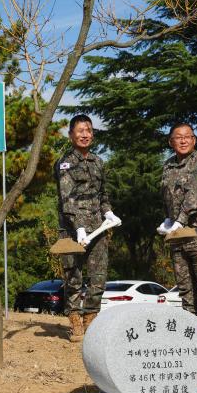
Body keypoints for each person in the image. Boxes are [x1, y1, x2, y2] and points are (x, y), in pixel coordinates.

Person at [54, 114, 121, 342]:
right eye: (80, 130)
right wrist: (79, 227)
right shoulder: (65, 163)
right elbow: (67, 199)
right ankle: (75, 321)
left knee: (98, 276)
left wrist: (109, 212)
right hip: (72, 231)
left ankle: (91, 319)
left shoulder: (98, 162)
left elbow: (103, 194)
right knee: (73, 276)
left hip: (98, 229)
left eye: (89, 130)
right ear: (71, 134)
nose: (85, 134)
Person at [157, 122, 197, 330]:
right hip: (178, 234)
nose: (183, 140)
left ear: (194, 140)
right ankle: (190, 328)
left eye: (188, 137)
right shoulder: (168, 166)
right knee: (184, 284)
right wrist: (168, 220)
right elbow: (167, 198)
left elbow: (194, 198)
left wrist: (178, 221)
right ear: (171, 142)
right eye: (178, 137)